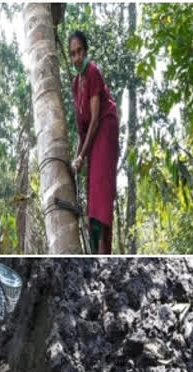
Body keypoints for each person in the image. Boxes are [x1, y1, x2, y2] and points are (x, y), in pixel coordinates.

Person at [69, 30, 120, 255]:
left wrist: (82, 156)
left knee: (100, 187)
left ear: (86, 51)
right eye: (72, 54)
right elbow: (82, 128)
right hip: (91, 135)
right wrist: (77, 157)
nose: (77, 57)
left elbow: (96, 117)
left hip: (105, 129)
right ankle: (97, 247)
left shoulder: (93, 72)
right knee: (92, 192)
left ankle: (101, 250)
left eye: (79, 51)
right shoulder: (75, 84)